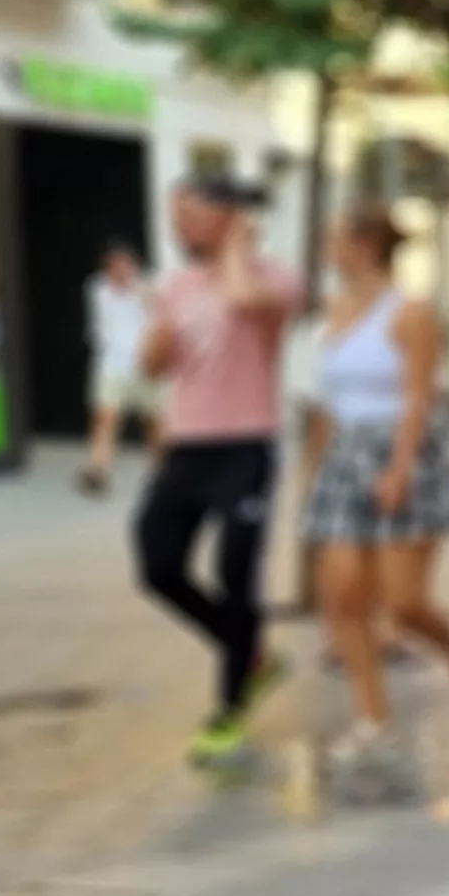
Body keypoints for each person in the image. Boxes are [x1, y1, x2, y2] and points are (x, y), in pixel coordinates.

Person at [297, 212, 449, 806]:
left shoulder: (411, 313)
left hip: (400, 456)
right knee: (342, 596)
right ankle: (374, 720)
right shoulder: (331, 313)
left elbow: (418, 396)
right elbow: (327, 400)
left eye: (337, 239)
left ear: (365, 245)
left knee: (404, 604)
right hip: (344, 455)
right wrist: (312, 468)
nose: (330, 248)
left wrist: (401, 468)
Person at [134, 172, 302, 777]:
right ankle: (250, 654)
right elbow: (154, 368)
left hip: (245, 448)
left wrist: (238, 246)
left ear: (230, 217)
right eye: (174, 216)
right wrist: (158, 328)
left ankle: (229, 710)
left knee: (237, 574)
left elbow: (242, 301)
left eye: (190, 215)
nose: (178, 228)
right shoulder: (176, 285)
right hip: (187, 448)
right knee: (157, 567)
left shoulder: (275, 278)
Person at [80, 240, 156, 497]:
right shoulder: (98, 287)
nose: (119, 268)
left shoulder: (147, 285)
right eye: (114, 263)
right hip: (112, 363)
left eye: (125, 263)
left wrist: (138, 288)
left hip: (146, 363)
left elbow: (158, 313)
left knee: (153, 421)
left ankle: (159, 472)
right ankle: (99, 469)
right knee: (105, 416)